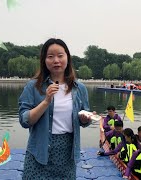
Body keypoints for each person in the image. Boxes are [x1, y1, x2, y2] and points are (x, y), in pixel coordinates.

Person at [18, 38, 92, 179]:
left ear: (67, 58)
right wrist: (46, 101)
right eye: (50, 56)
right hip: (39, 153)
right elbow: (24, 120)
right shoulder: (33, 87)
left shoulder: (79, 88)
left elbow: (85, 120)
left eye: (60, 55)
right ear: (44, 61)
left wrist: (85, 119)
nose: (56, 60)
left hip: (67, 153)